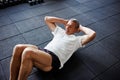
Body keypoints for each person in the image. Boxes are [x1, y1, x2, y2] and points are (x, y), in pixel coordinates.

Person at [9, 16, 96, 80]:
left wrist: (80, 27)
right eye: (67, 25)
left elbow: (92, 34)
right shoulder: (60, 31)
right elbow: (47, 19)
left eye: (71, 26)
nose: (67, 27)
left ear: (76, 30)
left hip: (53, 60)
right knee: (18, 48)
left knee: (28, 52)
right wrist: (63, 21)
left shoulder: (77, 40)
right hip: (43, 52)